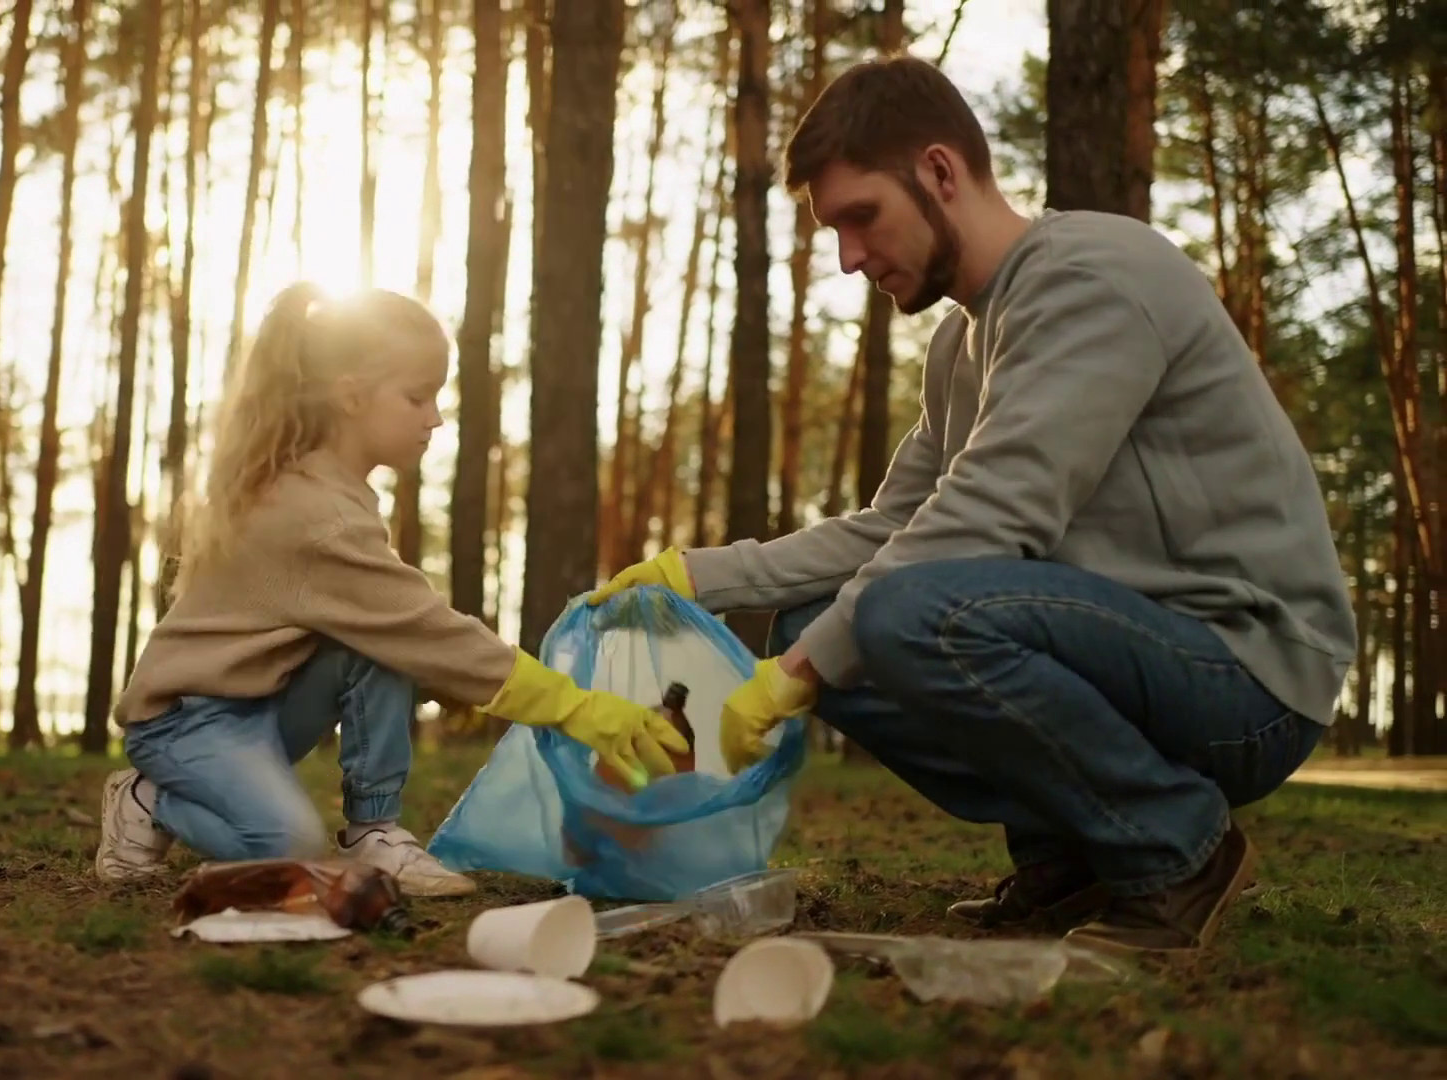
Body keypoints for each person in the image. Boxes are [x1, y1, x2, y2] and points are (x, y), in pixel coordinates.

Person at [590, 56, 1356, 956]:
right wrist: (703, 575)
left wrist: (801, 671)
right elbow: (894, 527)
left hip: (1245, 674)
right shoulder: (961, 343)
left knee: (894, 616)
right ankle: (1075, 856)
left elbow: (997, 516)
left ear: (940, 172)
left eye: (860, 217)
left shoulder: (1093, 273)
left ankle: (1177, 846)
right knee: (821, 614)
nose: (848, 258)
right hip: (1129, 652)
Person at [95, 283, 690, 896]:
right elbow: (434, 632)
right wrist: (580, 709)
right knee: (285, 846)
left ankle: (373, 831)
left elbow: (409, 633)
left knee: (382, 640)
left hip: (261, 705)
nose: (434, 418)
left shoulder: (338, 495)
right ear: (352, 397)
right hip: (185, 721)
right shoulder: (317, 516)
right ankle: (148, 799)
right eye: (417, 397)